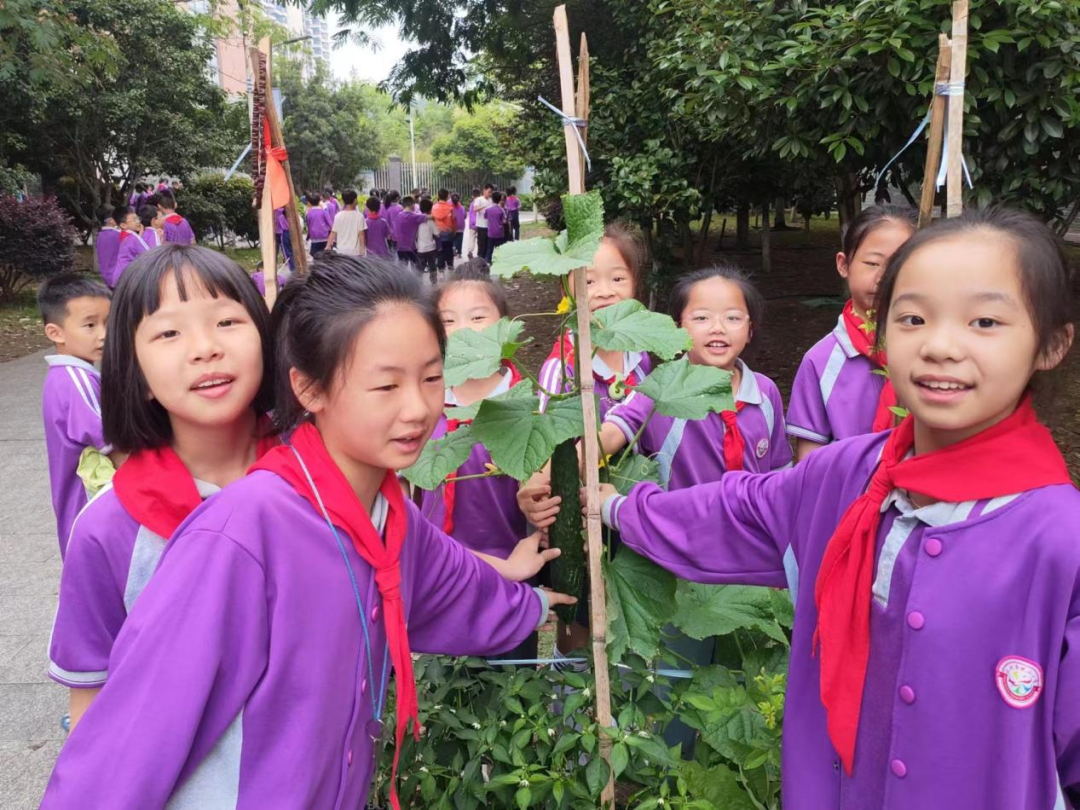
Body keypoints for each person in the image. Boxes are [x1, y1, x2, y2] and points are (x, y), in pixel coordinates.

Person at [583, 209, 1080, 809]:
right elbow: (733, 510)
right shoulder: (845, 476)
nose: (942, 345)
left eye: (985, 320)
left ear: (1051, 343)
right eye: (914, 317)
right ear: (881, 333)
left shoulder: (1061, 541)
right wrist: (613, 507)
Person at [40, 254, 574, 809]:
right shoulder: (230, 531)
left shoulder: (361, 494)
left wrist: (527, 596)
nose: (205, 348)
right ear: (308, 387)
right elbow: (121, 734)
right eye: (384, 385)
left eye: (433, 378)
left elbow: (439, 572)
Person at [46, 245, 277, 732]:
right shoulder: (109, 529)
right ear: (139, 374)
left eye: (228, 322)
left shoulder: (320, 483)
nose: (204, 348)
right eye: (169, 332)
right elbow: (91, 701)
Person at [420, 265, 542, 661]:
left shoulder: (529, 405)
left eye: (478, 317)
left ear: (504, 327)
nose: (464, 330)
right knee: (449, 689)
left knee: (513, 683)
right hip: (437, 570)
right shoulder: (423, 404)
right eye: (448, 320)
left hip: (511, 572)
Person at [787, 205, 917, 461]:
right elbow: (810, 457)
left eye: (898, 265)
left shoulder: (930, 349)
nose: (883, 277)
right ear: (844, 264)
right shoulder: (821, 361)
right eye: (872, 263)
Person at [535, 224, 650, 416]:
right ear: (566, 293)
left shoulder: (639, 354)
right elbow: (548, 441)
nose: (605, 293)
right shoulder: (561, 372)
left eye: (618, 279)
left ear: (634, 283)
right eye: (588, 282)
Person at [37, 274, 112, 559]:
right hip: (89, 506)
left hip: (81, 510)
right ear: (56, 333)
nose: (103, 334)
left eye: (107, 322)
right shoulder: (74, 378)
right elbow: (111, 438)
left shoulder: (71, 375)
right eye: (90, 325)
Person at [113, 206, 157, 281]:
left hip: (118, 276)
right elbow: (150, 255)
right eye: (134, 219)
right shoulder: (133, 238)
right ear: (123, 225)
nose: (138, 222)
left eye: (137, 218)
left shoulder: (121, 235)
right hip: (129, 278)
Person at [326, 189, 366, 257]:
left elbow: (333, 232)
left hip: (341, 251)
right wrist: (362, 251)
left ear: (343, 201)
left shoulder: (338, 216)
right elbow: (361, 235)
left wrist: (328, 246)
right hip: (355, 252)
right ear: (355, 200)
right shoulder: (359, 216)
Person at [393, 195, 429, 268]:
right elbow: (429, 217)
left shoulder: (398, 216)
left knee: (403, 268)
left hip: (400, 247)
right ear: (412, 205)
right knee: (416, 267)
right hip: (411, 247)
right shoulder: (414, 216)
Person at [94, 206, 121, 289]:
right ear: (111, 221)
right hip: (119, 278)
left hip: (106, 279)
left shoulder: (100, 235)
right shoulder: (119, 235)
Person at [432, 188, 456, 270]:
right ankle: (450, 267)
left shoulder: (433, 208)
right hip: (448, 233)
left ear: (438, 196)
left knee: (439, 252)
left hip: (437, 234)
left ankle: (441, 270)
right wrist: (454, 231)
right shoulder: (450, 208)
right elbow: (453, 221)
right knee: (449, 251)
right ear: (447, 197)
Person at [415, 198, 439, 275]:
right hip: (431, 248)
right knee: (432, 266)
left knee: (420, 268)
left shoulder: (416, 221)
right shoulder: (430, 220)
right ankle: (434, 282)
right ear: (430, 209)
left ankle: (418, 282)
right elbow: (437, 233)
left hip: (420, 248)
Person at [484, 191, 507, 262]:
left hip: (491, 233)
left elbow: (485, 217)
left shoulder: (488, 210)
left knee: (489, 249)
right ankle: (498, 262)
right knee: (499, 249)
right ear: (500, 199)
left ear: (492, 199)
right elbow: (504, 221)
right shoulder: (501, 210)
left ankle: (488, 262)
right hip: (499, 233)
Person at [473, 183, 494, 261]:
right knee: (481, 244)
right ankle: (480, 260)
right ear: (484, 190)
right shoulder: (479, 199)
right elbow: (475, 209)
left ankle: (486, 260)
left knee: (488, 244)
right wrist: (484, 207)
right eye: (489, 191)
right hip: (481, 226)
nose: (490, 193)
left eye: (491, 192)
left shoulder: (491, 200)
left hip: (489, 226)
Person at [273, 207, 294, 271]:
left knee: (285, 250)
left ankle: (291, 266)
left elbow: (277, 224)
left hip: (283, 233)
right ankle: (290, 262)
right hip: (291, 232)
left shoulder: (277, 213)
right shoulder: (290, 215)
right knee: (291, 249)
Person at [451, 192, 466, 257]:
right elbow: (465, 216)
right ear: (459, 199)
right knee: (460, 239)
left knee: (453, 238)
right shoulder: (462, 208)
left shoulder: (450, 208)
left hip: (453, 226)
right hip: (461, 226)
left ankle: (453, 246)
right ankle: (459, 253)